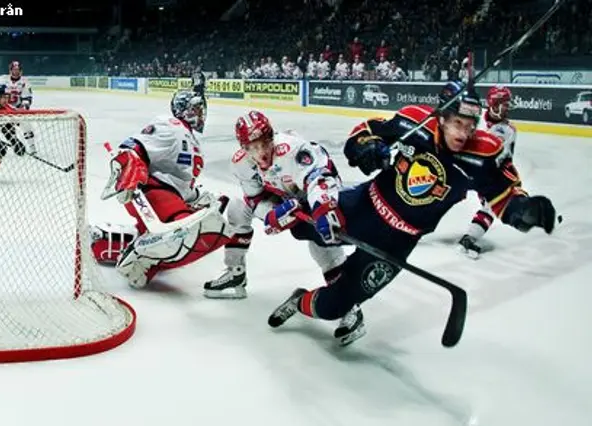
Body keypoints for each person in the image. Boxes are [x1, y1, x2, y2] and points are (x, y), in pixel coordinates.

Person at [267, 81, 556, 342]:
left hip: (398, 241)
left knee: (332, 307)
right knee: (299, 225)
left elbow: (505, 194)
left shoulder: (483, 154)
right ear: (441, 116)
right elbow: (362, 134)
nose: (463, 133)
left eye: (470, 125)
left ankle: (301, 299)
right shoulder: (414, 120)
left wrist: (524, 210)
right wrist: (368, 149)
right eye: (457, 122)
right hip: (365, 205)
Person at [203, 110, 366, 346]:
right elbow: (255, 198)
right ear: (244, 147)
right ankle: (235, 274)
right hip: (285, 199)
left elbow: (320, 178)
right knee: (238, 207)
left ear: (272, 137)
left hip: (319, 196)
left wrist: (320, 208)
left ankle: (349, 306)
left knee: (322, 246)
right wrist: (271, 216)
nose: (261, 152)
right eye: (252, 147)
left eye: (264, 143)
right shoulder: (241, 163)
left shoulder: (291, 149)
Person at [90, 90, 232, 289]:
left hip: (169, 196)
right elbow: (134, 147)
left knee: (186, 233)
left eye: (201, 110)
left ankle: (103, 241)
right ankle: (138, 258)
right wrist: (129, 164)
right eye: (196, 109)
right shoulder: (170, 125)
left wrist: (198, 198)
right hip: (150, 193)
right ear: (184, 110)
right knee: (185, 233)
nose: (201, 114)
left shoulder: (190, 138)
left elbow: (180, 181)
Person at [458, 85, 517, 258]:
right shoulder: (477, 118)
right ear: (495, 105)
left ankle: (469, 238)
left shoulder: (508, 130)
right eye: (505, 104)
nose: (508, 107)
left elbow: (504, 159)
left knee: (491, 205)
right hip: (463, 166)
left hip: (486, 172)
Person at [0, 60, 36, 154]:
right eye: (14, 70)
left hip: (17, 108)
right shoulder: (3, 79)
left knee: (26, 125)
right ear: (10, 70)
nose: (16, 72)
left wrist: (24, 107)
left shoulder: (25, 82)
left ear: (21, 71)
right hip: (3, 108)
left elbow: (27, 97)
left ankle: (32, 147)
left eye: (18, 70)